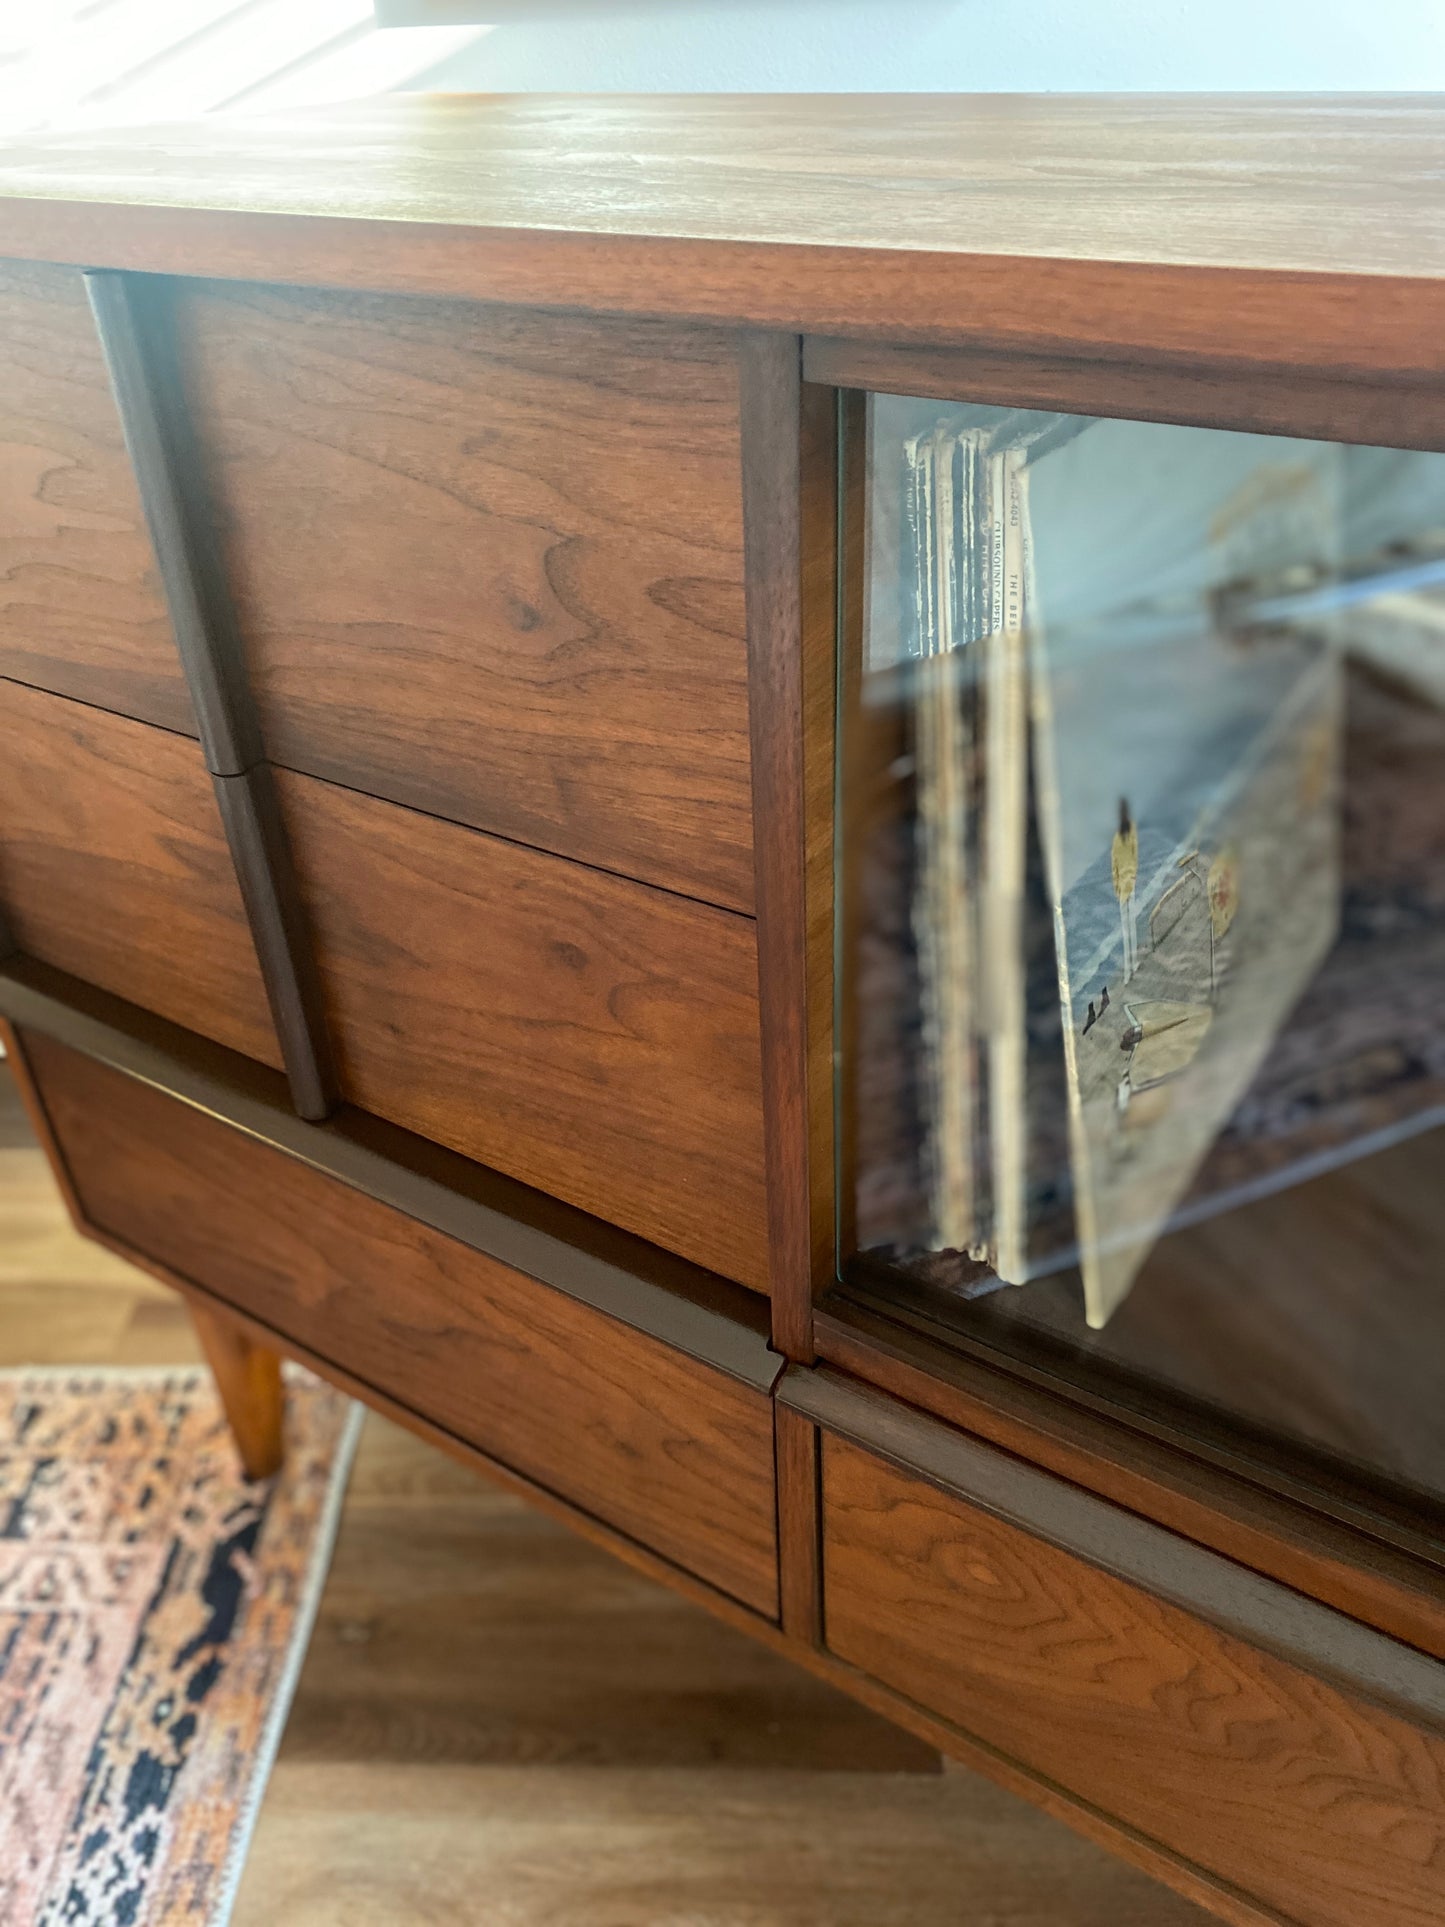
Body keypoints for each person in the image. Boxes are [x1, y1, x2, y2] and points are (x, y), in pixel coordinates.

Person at [1111, 799, 1139, 982]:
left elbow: (1114, 865)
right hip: (1131, 883)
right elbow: (1135, 856)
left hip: (1121, 886)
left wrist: (1116, 887)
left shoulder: (1116, 837)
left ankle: (1128, 972)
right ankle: (1134, 962)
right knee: (1133, 927)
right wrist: (1134, 877)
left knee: (1125, 929)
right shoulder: (1132, 830)